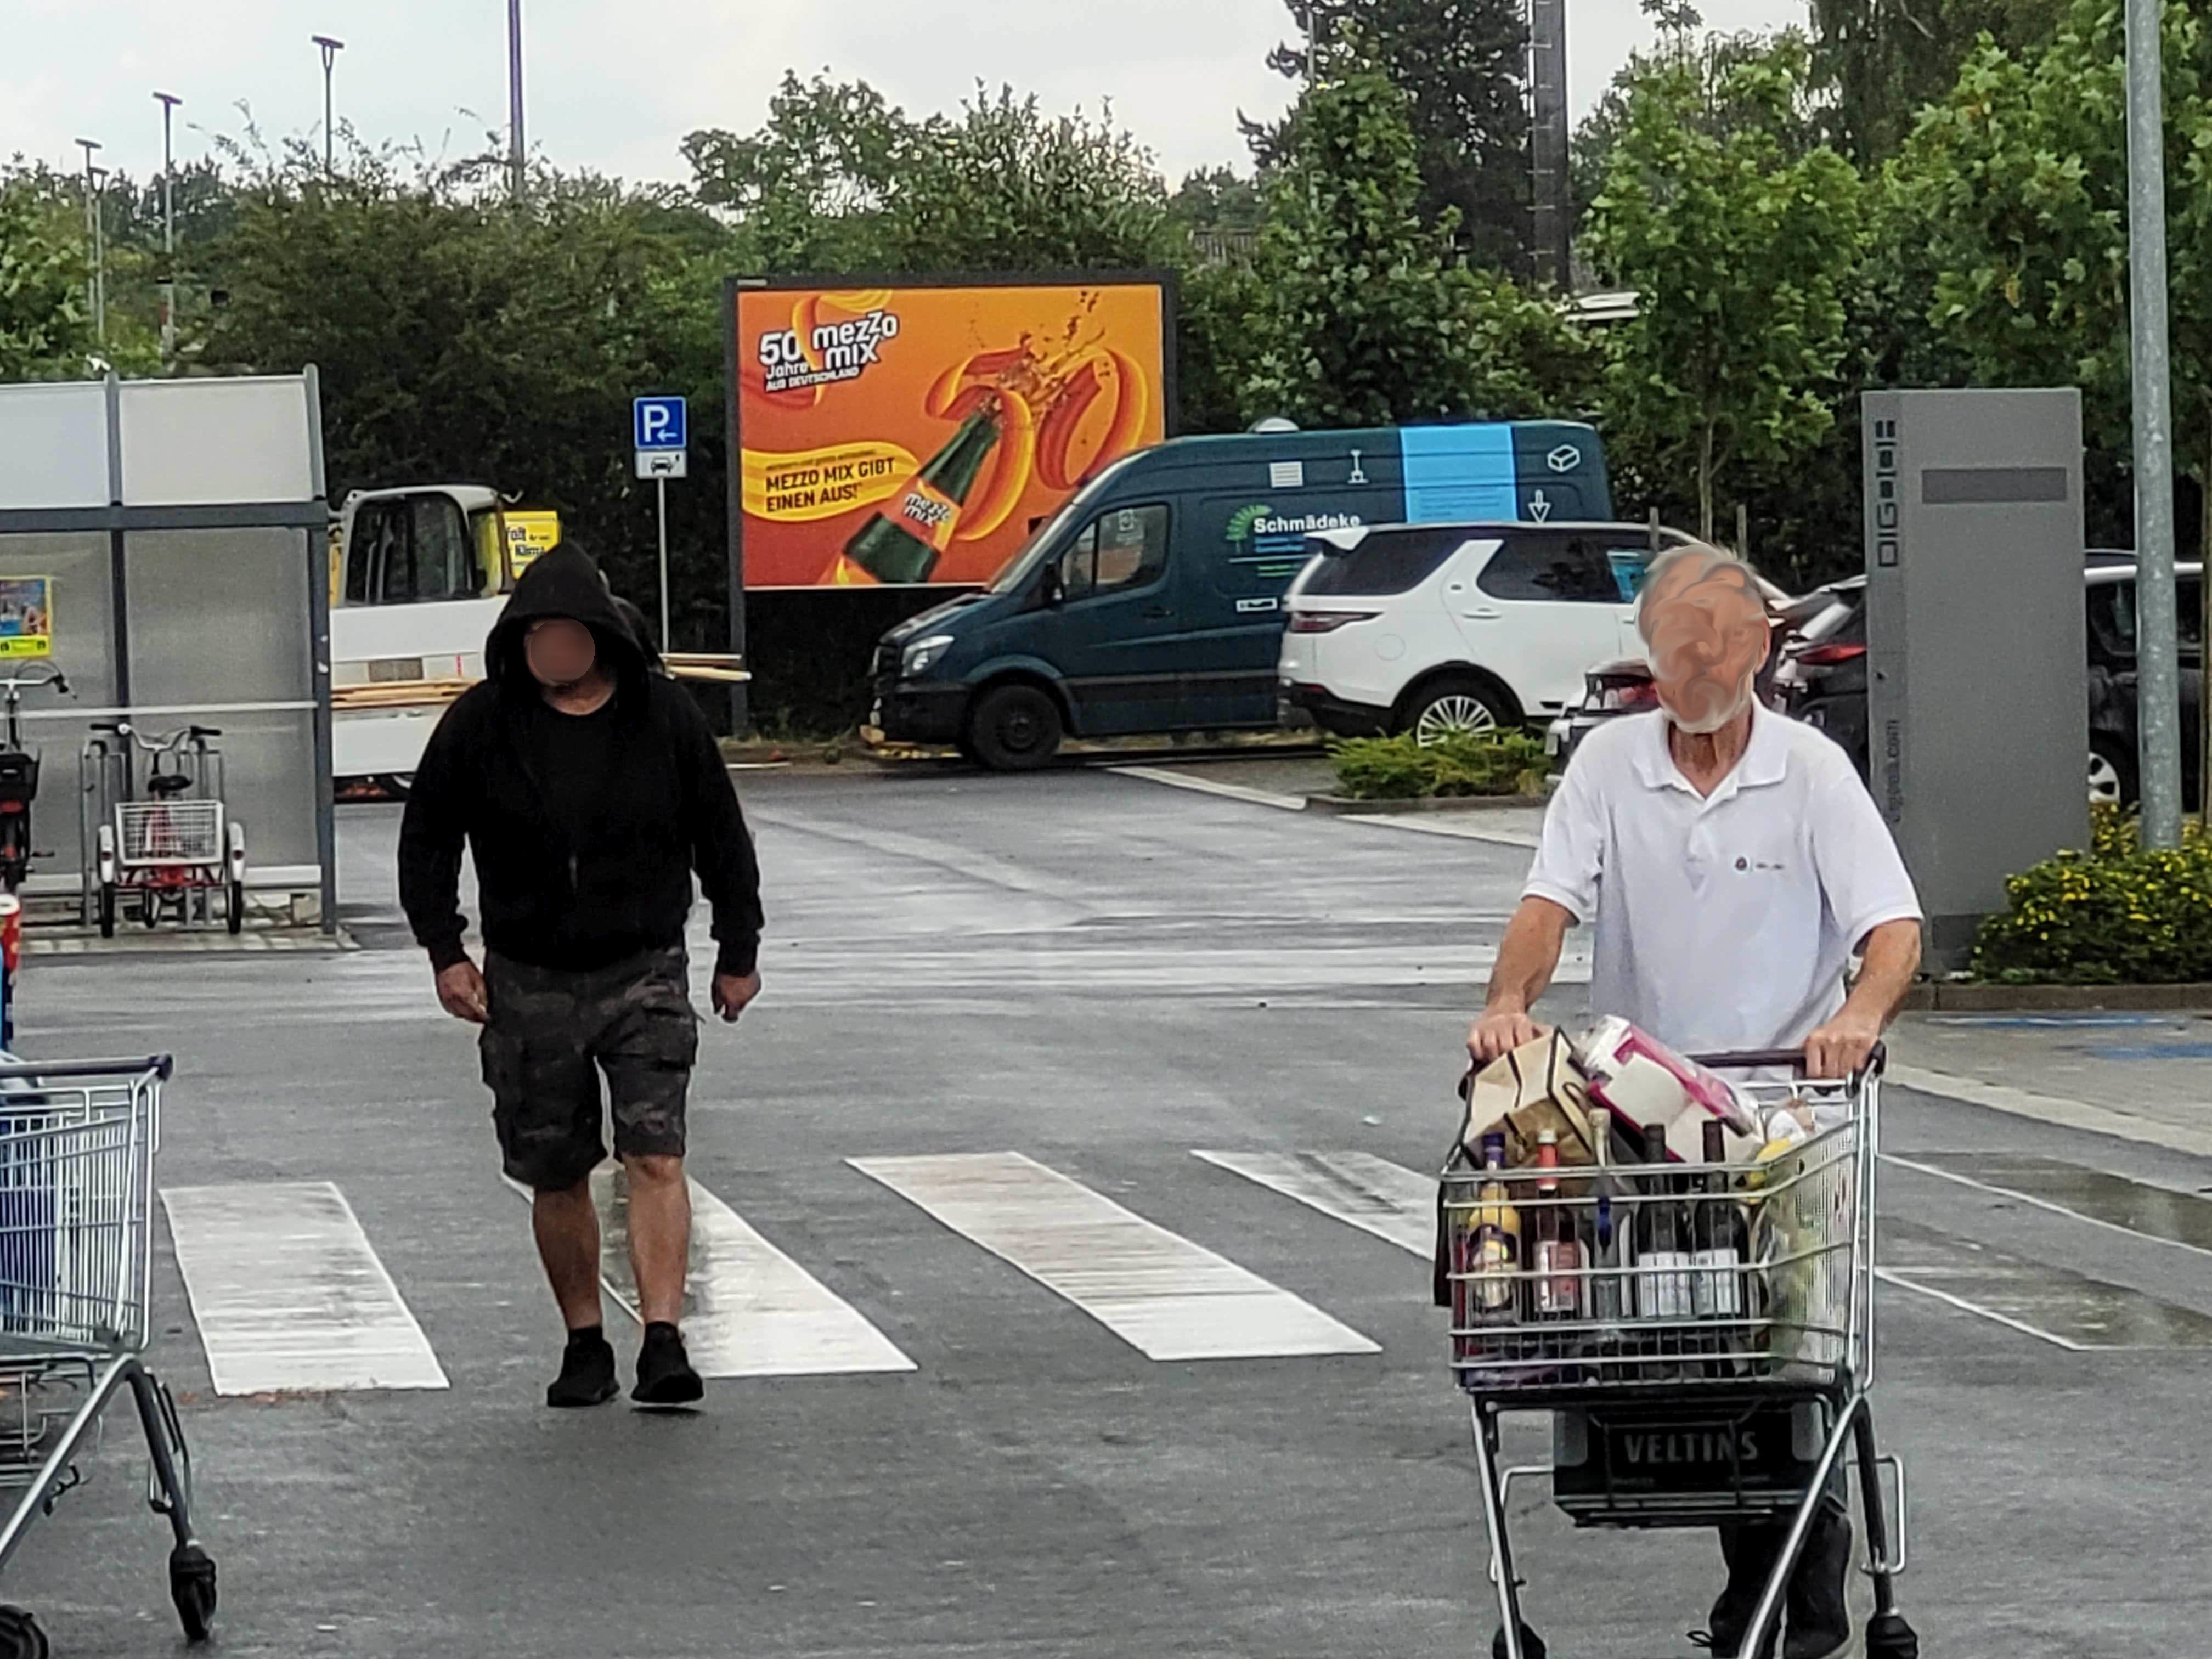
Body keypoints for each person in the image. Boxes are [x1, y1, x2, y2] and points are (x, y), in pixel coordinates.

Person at [1467, 543, 1922, 1659]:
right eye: (1677, 651)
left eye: (1717, 648)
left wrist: (1858, 1016)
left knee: (1772, 1354)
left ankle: (1782, 1597)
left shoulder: (1810, 773)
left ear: (1759, 648)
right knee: (1668, 1344)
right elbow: (1547, 905)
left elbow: (1892, 927)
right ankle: (1768, 1591)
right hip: (1643, 1115)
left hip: (1785, 1115)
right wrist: (1508, 1003)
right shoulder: (1609, 766)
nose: (1698, 671)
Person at [399, 540, 764, 1409]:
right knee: (555, 1171)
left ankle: (664, 1339)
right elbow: (428, 839)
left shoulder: (663, 716)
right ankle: (584, 1341)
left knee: (656, 1154)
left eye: (565, 637)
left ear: (600, 638)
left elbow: (721, 833)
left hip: (644, 969)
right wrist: (445, 951)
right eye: (536, 639)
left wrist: (738, 950)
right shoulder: (481, 724)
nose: (551, 652)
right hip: (528, 979)